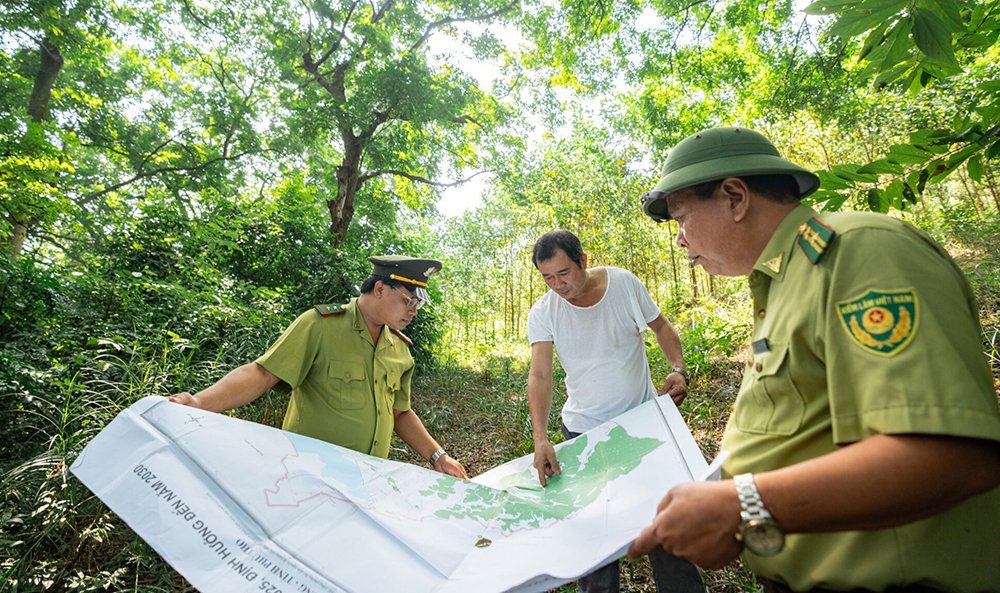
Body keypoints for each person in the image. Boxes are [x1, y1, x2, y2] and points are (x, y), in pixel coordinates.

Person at [628, 126, 1000, 592]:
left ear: (735, 197)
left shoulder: (859, 251)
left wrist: (740, 505)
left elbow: (950, 456)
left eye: (682, 218)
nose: (680, 240)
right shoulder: (784, 283)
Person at [170, 255, 468, 479]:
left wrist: (438, 457)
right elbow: (262, 373)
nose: (412, 312)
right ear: (380, 288)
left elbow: (400, 412)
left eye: (418, 305)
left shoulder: (400, 350)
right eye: (407, 301)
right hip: (310, 477)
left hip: (369, 478)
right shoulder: (320, 326)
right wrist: (198, 402)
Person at [527, 229, 705, 593]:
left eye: (563, 273)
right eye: (547, 278)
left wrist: (678, 368)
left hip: (642, 427)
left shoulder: (624, 285)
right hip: (583, 434)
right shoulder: (543, 311)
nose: (557, 285)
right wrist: (540, 438)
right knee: (596, 547)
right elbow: (540, 374)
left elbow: (662, 327)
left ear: (584, 261)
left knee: (666, 533)